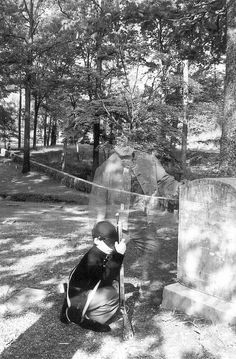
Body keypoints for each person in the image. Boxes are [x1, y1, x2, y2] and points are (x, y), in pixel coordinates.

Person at [60, 220, 126, 332]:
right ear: (96, 240)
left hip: (81, 289)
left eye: (113, 242)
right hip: (79, 299)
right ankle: (91, 316)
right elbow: (106, 279)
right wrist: (118, 255)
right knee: (113, 294)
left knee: (114, 285)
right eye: (109, 243)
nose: (112, 246)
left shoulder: (98, 251)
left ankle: (86, 310)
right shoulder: (93, 259)